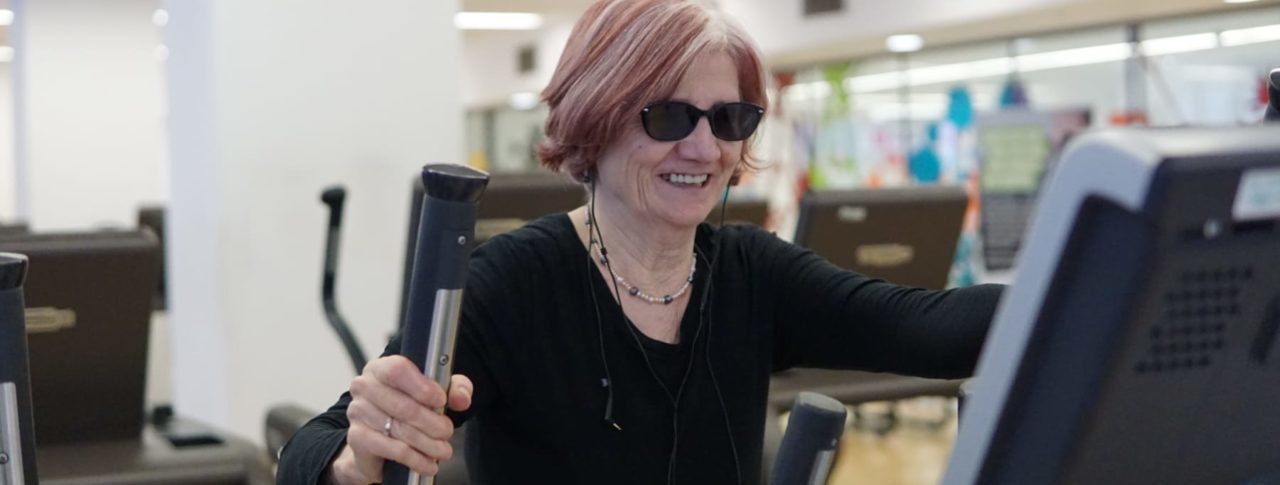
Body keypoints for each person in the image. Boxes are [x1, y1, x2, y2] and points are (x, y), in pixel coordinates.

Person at [277, 1, 1004, 483]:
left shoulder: (752, 271)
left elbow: (929, 330)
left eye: (730, 119)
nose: (704, 147)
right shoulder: (513, 282)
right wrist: (355, 457)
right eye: (668, 117)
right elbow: (314, 446)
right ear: (596, 120)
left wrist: (1101, 275)